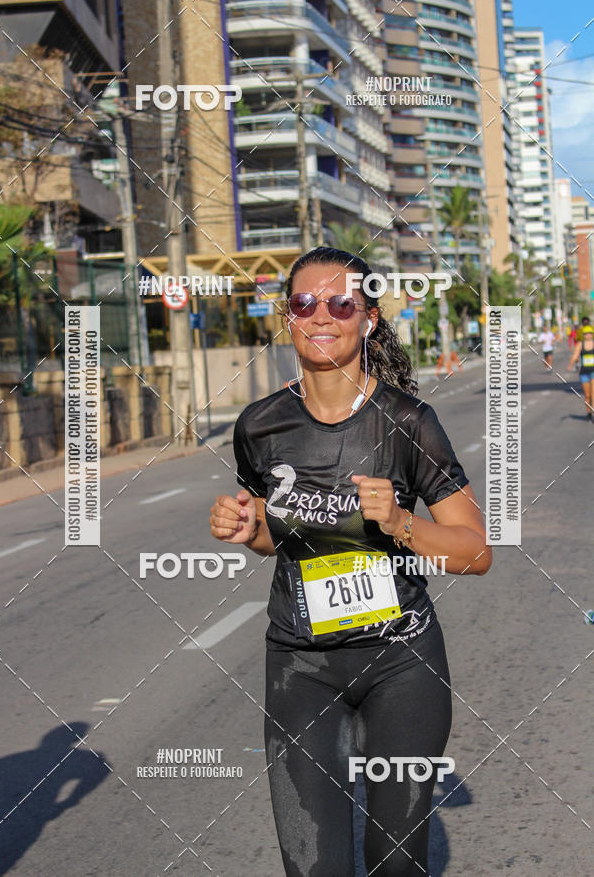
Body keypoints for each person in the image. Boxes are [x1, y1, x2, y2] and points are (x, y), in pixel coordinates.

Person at [210, 246, 492, 876]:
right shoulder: (259, 425)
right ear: (288, 316)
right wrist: (246, 526)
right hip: (301, 666)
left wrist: (400, 522)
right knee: (313, 866)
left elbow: (475, 551)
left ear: (366, 318)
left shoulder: (408, 422)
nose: (322, 316)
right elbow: (271, 536)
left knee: (396, 862)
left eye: (341, 303)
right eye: (306, 302)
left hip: (402, 665)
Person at [567, 327, 594, 420]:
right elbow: (575, 355)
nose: (588, 335)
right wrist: (570, 365)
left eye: (590, 333)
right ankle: (589, 413)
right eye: (586, 333)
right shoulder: (580, 344)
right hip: (584, 372)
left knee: (593, 393)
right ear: (583, 335)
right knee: (587, 395)